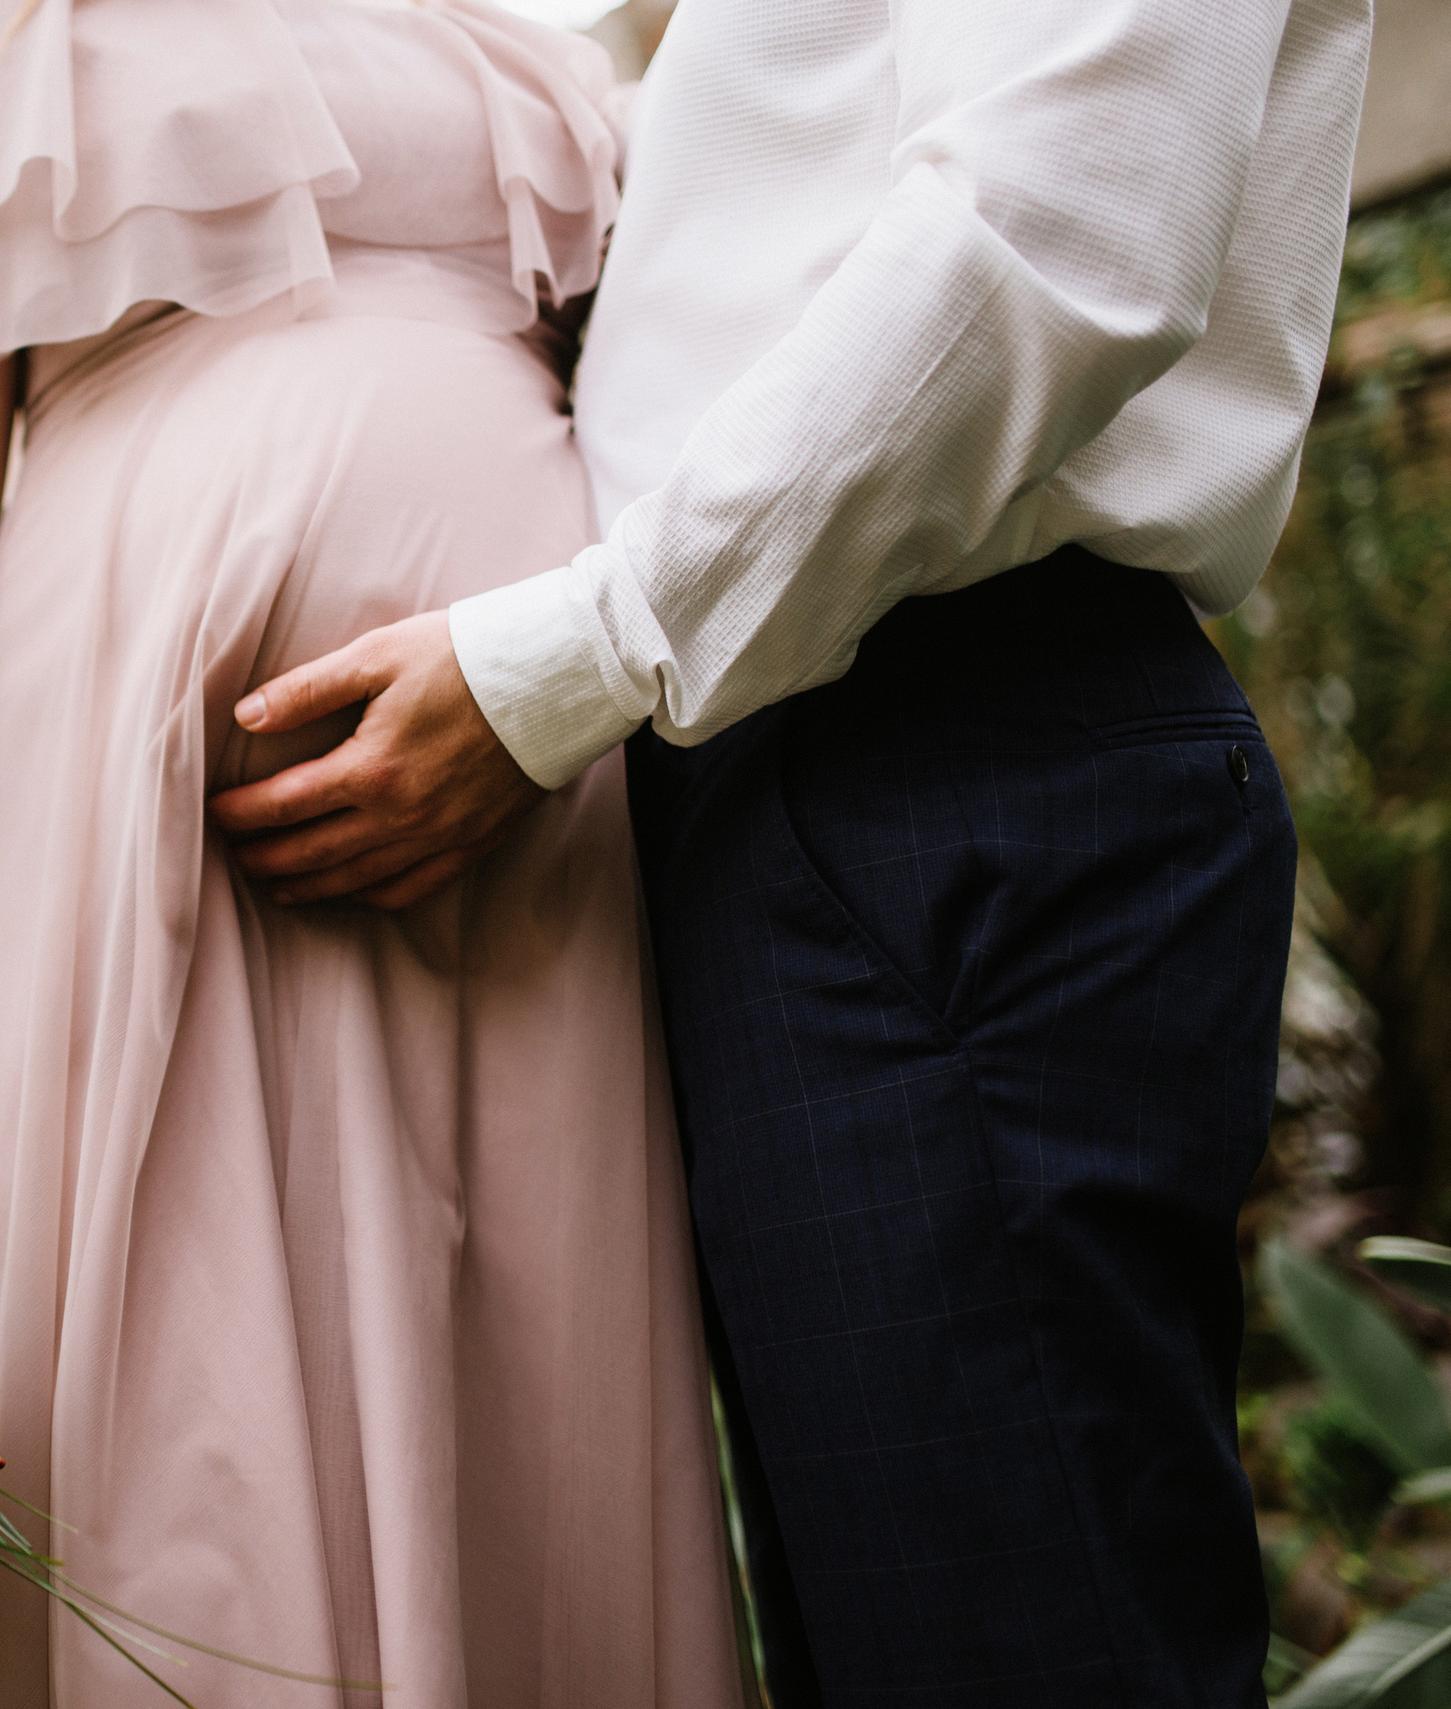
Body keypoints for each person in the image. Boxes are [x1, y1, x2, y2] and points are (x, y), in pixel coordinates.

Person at [209, 0, 1373, 1702]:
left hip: (939, 742)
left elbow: (1051, 228)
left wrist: (579, 656)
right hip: (821, 767)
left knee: (1017, 1647)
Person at [0, 0, 744, 1702]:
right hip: (140, 831)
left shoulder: (521, 44)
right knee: (175, 1412)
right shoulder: (24, 23)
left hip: (526, 829)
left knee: (513, 1401)